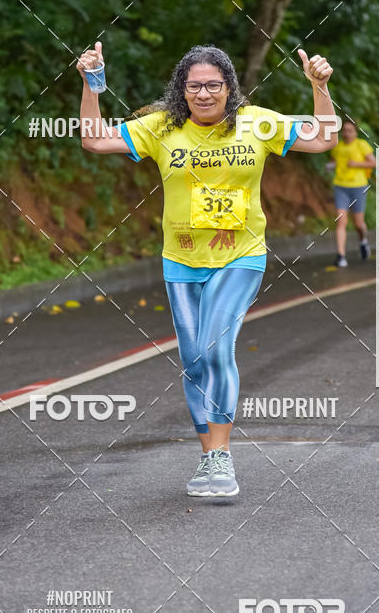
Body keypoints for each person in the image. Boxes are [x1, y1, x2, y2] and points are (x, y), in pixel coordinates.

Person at [77, 41, 337, 497]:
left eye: (213, 85)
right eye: (194, 86)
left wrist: (320, 88)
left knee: (216, 348)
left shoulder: (256, 123)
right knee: (194, 360)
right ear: (182, 89)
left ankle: (222, 456)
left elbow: (324, 137)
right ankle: (207, 459)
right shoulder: (161, 128)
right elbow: (94, 139)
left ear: (229, 87)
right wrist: (92, 84)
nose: (203, 94)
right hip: (180, 260)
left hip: (240, 255)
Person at [327, 119, 375, 267]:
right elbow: (334, 161)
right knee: (341, 221)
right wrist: (330, 166)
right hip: (340, 186)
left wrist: (357, 164)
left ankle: (363, 241)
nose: (347, 133)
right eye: (345, 130)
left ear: (355, 133)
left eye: (350, 130)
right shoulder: (337, 147)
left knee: (359, 224)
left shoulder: (362, 145)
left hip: (358, 187)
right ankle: (341, 256)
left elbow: (374, 163)